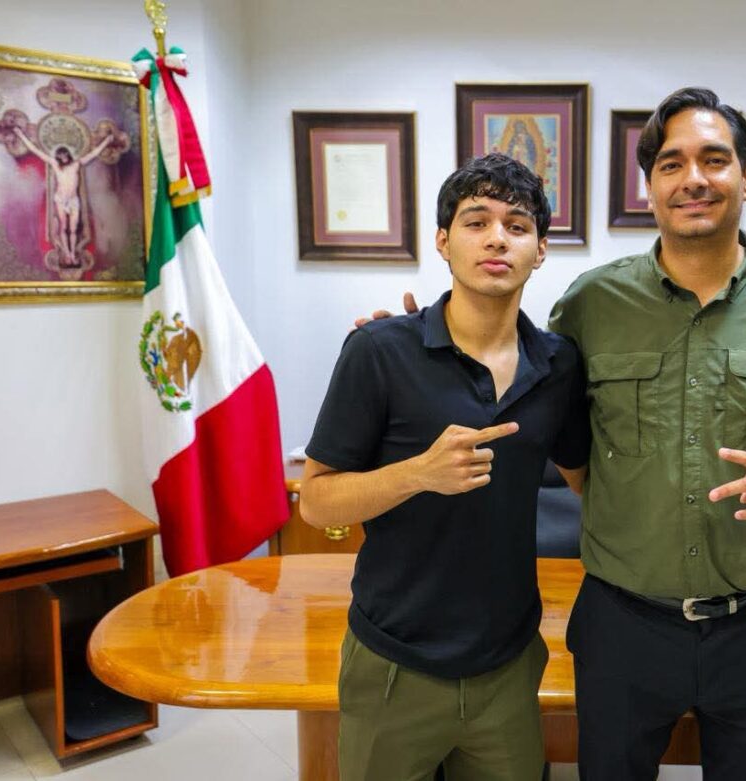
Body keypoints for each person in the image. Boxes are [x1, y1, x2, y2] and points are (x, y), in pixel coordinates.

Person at [365, 87, 746, 780]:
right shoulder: (593, 302)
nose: (695, 178)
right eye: (672, 163)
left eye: (715, 159)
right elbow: (521, 382)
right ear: (650, 185)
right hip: (624, 629)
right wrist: (413, 344)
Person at [302, 153, 589, 781]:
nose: (496, 237)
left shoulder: (559, 364)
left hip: (508, 665)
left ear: (540, 250)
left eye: (517, 225)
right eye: (476, 221)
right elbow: (315, 501)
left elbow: (586, 480)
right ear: (443, 241)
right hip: (394, 664)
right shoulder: (379, 350)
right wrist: (417, 473)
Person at [13, 127, 113, 265]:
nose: (63, 157)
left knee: (73, 229)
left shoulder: (76, 164)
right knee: (63, 227)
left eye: (65, 155)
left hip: (73, 200)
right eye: (61, 155)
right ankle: (68, 254)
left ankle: (72, 252)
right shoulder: (55, 165)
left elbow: (94, 153)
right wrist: (21, 135)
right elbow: (36, 151)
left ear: (68, 155)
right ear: (58, 157)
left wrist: (106, 141)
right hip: (61, 199)